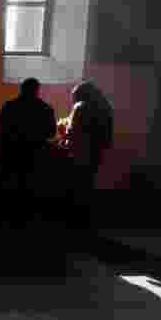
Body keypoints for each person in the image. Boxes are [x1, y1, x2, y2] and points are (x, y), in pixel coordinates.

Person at [0, 77, 57, 226]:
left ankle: (5, 216)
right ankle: (28, 218)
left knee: (8, 186)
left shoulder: (9, 106)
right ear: (37, 90)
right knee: (29, 186)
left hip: (10, 153)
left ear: (21, 89)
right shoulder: (45, 108)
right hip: (34, 154)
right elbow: (51, 132)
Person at [64, 80, 114, 230]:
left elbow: (72, 131)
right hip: (96, 151)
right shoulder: (105, 106)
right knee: (88, 184)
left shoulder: (81, 107)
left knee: (76, 186)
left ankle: (74, 221)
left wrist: (66, 137)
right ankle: (87, 221)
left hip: (81, 152)